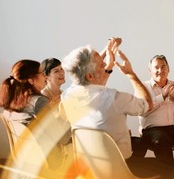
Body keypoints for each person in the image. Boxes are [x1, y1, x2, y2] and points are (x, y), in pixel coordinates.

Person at [60, 40, 153, 169]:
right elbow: (148, 104)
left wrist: (107, 61)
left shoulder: (67, 95)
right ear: (90, 76)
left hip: (90, 168)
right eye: (102, 65)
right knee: (171, 168)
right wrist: (130, 74)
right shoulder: (115, 99)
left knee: (140, 144)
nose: (106, 65)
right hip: (119, 168)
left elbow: (95, 88)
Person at [131, 55, 174, 179]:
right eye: (156, 67)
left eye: (163, 66)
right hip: (153, 130)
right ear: (150, 71)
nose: (160, 70)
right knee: (161, 141)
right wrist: (162, 96)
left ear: (168, 69)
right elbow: (141, 109)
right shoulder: (142, 87)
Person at [0, 60, 48, 125]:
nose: (46, 76)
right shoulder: (39, 101)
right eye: (42, 73)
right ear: (31, 80)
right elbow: (53, 130)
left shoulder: (13, 104)